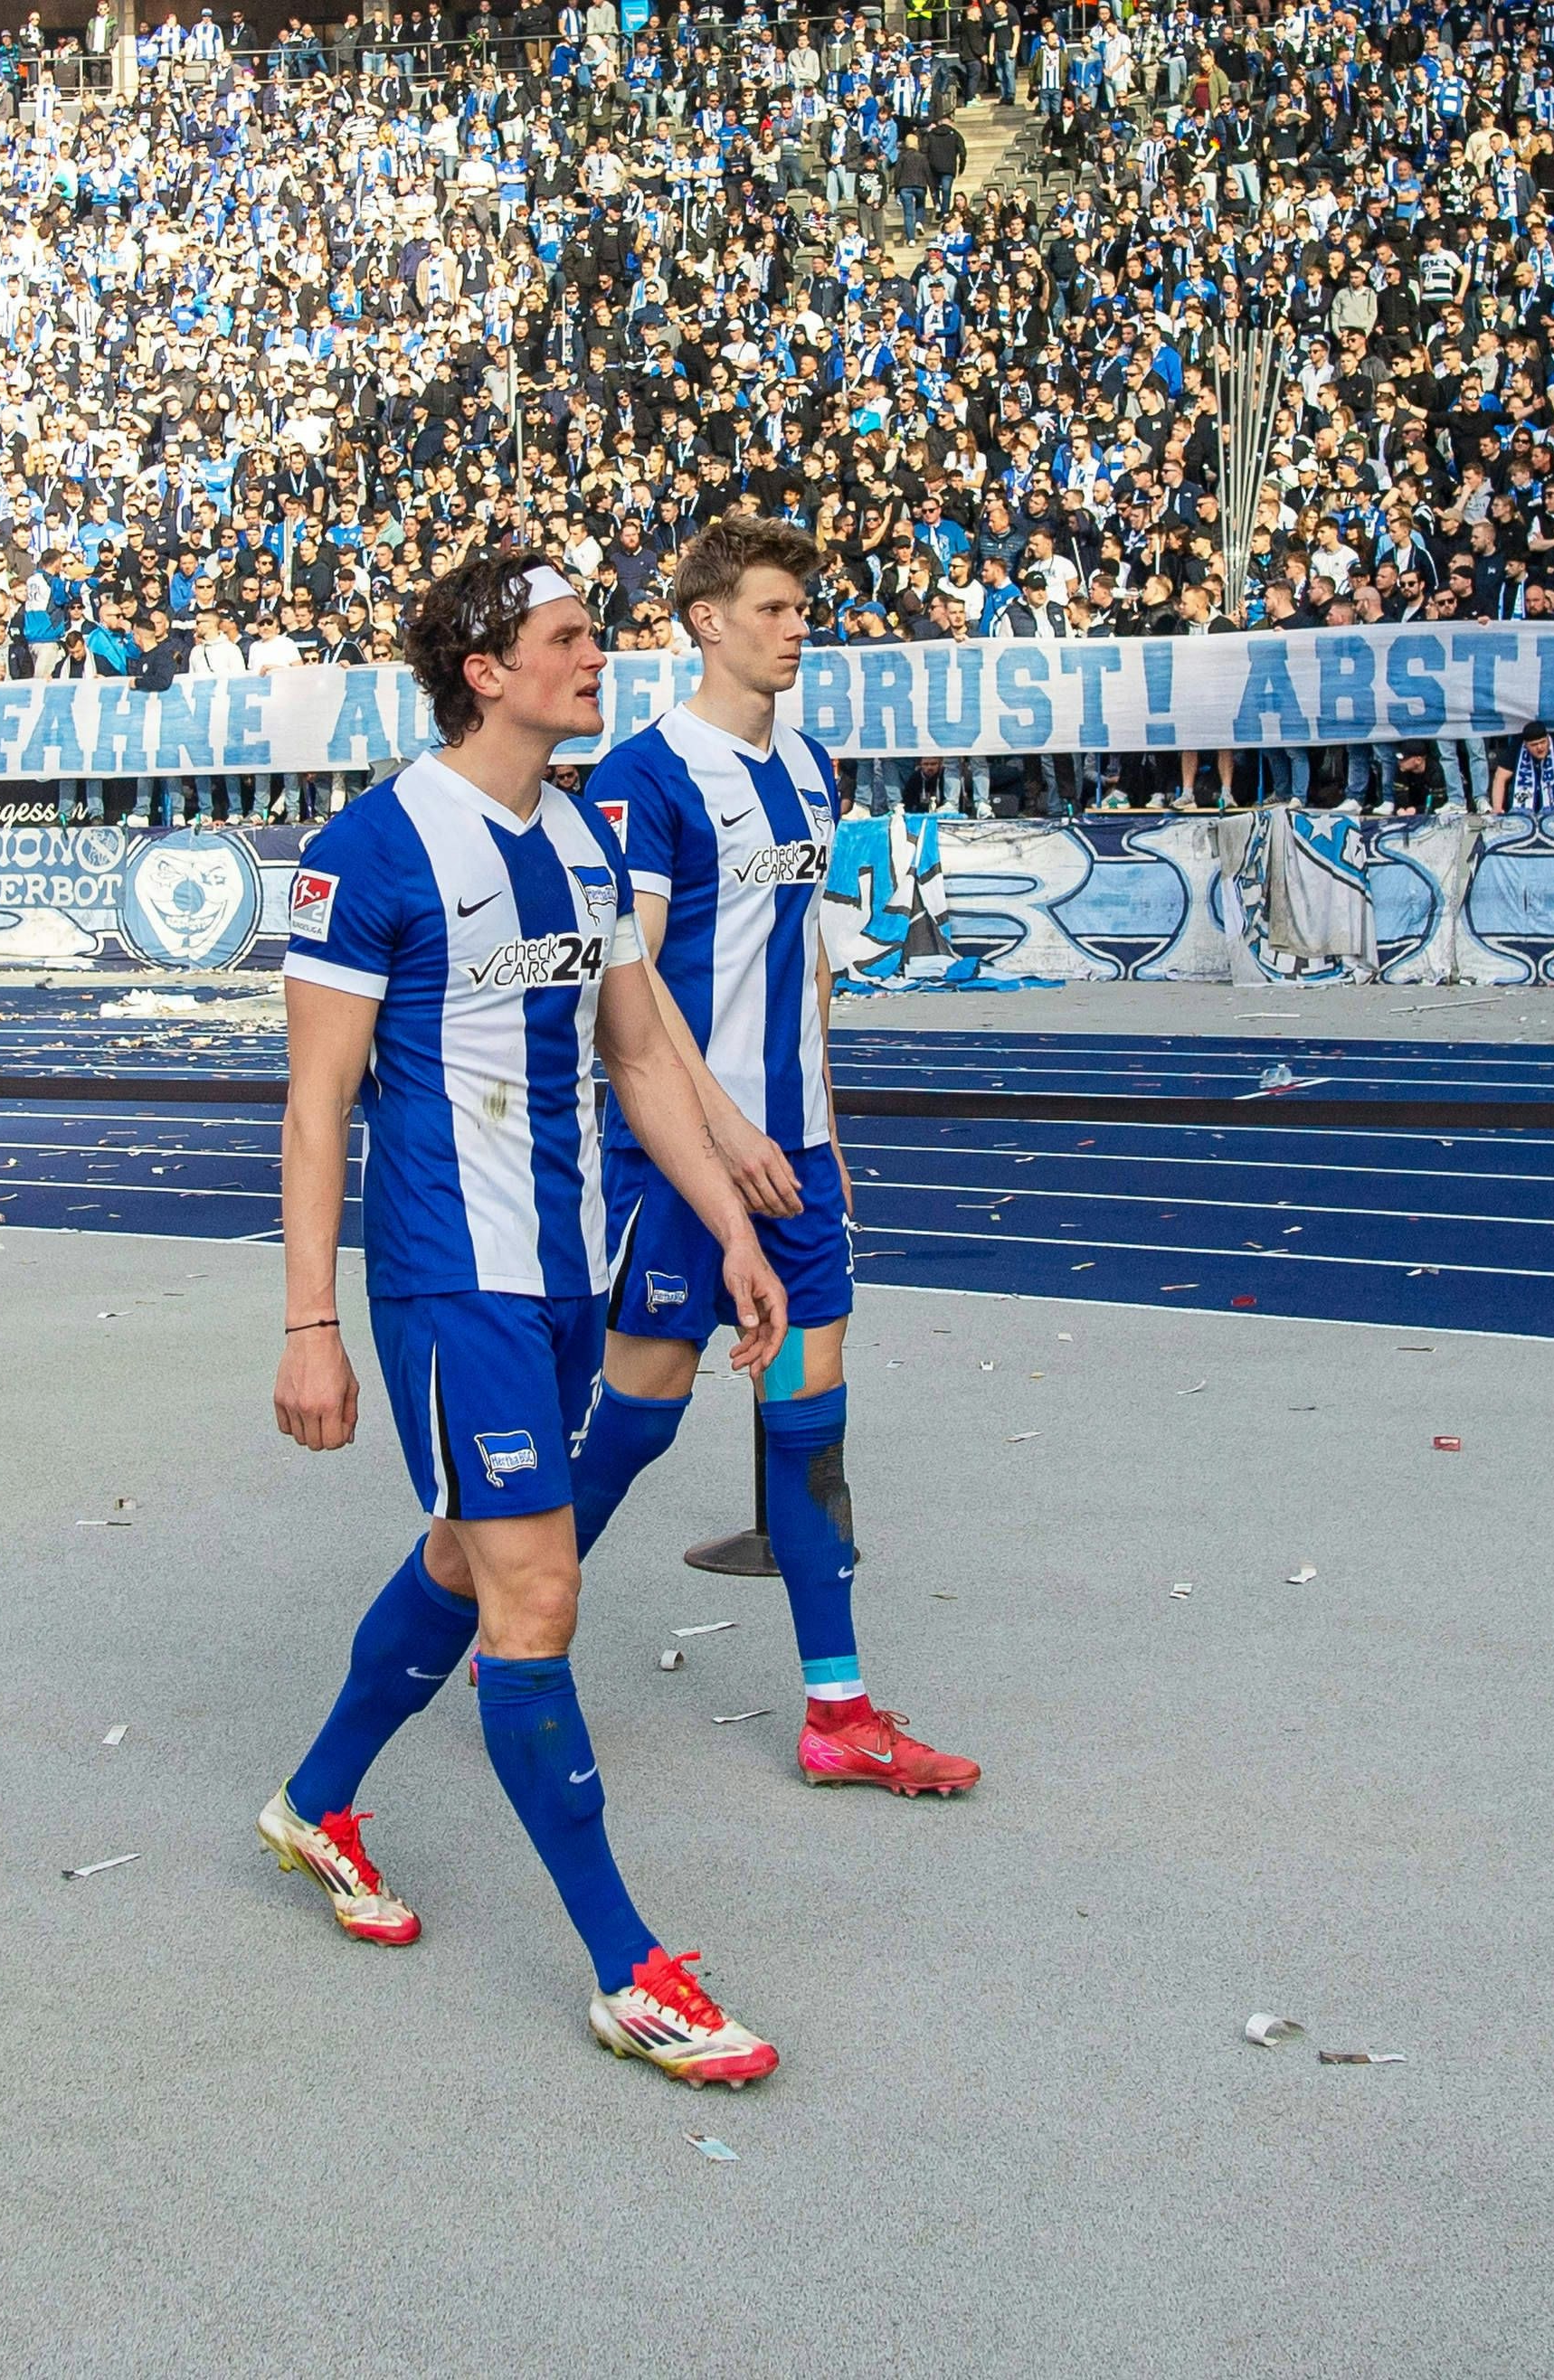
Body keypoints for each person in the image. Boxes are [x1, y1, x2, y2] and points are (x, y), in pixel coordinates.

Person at [268, 550, 793, 2090]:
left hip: (568, 1271)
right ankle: (630, 1969)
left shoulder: (576, 832)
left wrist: (720, 1223)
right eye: (570, 641)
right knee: (537, 1597)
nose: (598, 661)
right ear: (485, 669)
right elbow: (315, 1104)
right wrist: (312, 1319)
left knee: (462, 1552)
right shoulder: (373, 847)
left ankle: (317, 1798)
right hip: (449, 1276)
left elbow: (640, 1056)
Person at [561, 513, 977, 1798]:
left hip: (796, 1153)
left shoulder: (808, 767)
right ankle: (501, 1610)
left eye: (805, 609)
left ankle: (837, 1711)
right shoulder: (647, 777)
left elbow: (801, 963)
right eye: (777, 609)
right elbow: (634, 985)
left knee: (808, 1427)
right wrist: (723, 1130)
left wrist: (820, 1122)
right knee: (638, 1418)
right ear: (706, 621)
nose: (799, 629)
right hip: (687, 1152)